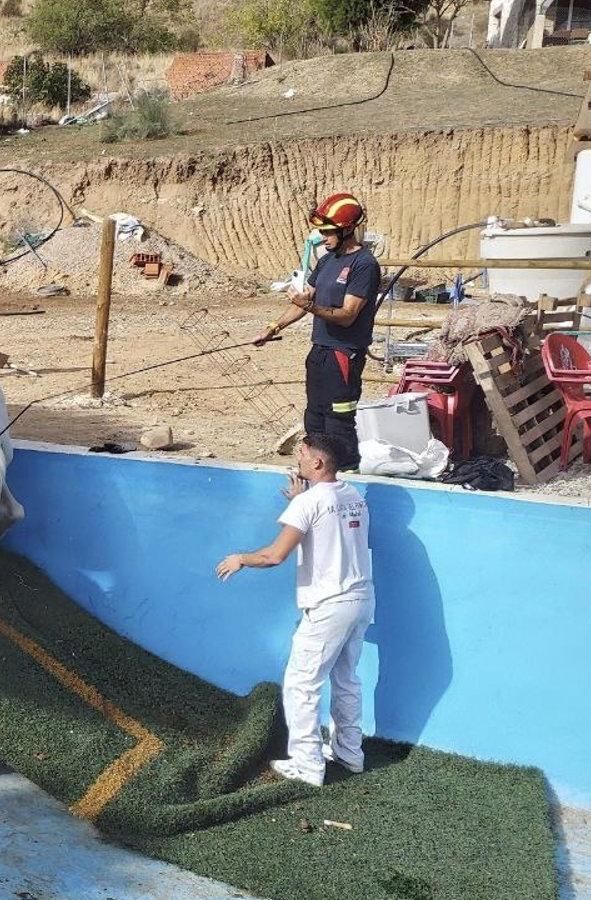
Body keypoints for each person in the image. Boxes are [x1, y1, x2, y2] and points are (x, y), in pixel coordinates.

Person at [215, 433, 374, 787]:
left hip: (328, 605)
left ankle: (308, 765)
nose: (297, 459)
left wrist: (241, 559)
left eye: (301, 453)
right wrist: (301, 500)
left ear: (318, 462)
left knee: (301, 684)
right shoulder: (354, 496)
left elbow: (275, 555)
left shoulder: (310, 503)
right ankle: (350, 754)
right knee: (346, 680)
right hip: (361, 599)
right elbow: (328, 521)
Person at [256, 192, 381, 470]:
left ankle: (347, 476)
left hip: (343, 355)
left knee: (338, 422)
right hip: (320, 352)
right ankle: (317, 476)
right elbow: (305, 300)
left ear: (346, 230)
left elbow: (347, 316)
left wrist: (309, 305)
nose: (322, 237)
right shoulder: (327, 260)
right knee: (314, 418)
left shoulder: (364, 265)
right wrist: (273, 327)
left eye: (327, 232)